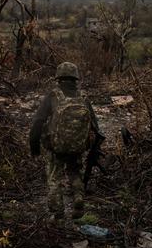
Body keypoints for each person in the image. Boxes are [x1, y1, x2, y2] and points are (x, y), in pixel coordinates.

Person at [29, 62, 100, 222]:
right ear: (76, 78)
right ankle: (78, 199)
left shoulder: (53, 96)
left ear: (58, 78)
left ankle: (58, 213)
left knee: (54, 177)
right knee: (75, 172)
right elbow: (95, 126)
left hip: (56, 147)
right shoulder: (83, 98)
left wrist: (34, 147)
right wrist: (90, 146)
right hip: (78, 147)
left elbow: (38, 122)